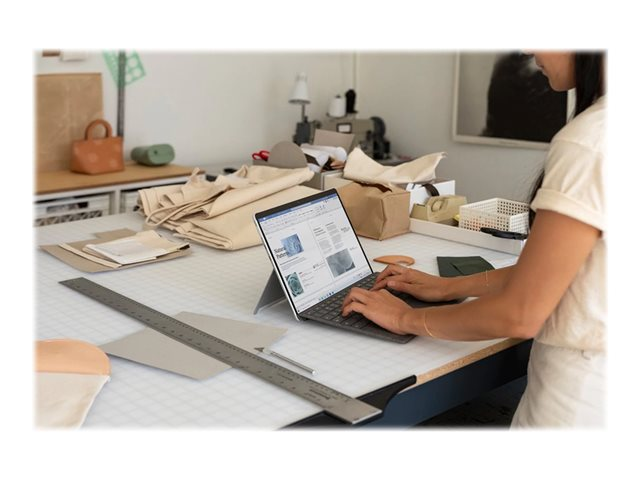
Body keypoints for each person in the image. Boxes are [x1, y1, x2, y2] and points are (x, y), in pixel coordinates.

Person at [341, 51, 606, 428]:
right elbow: (568, 274)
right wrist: (449, 287)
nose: (529, 49)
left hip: (578, 405)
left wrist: (405, 317)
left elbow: (521, 313)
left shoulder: (590, 141)